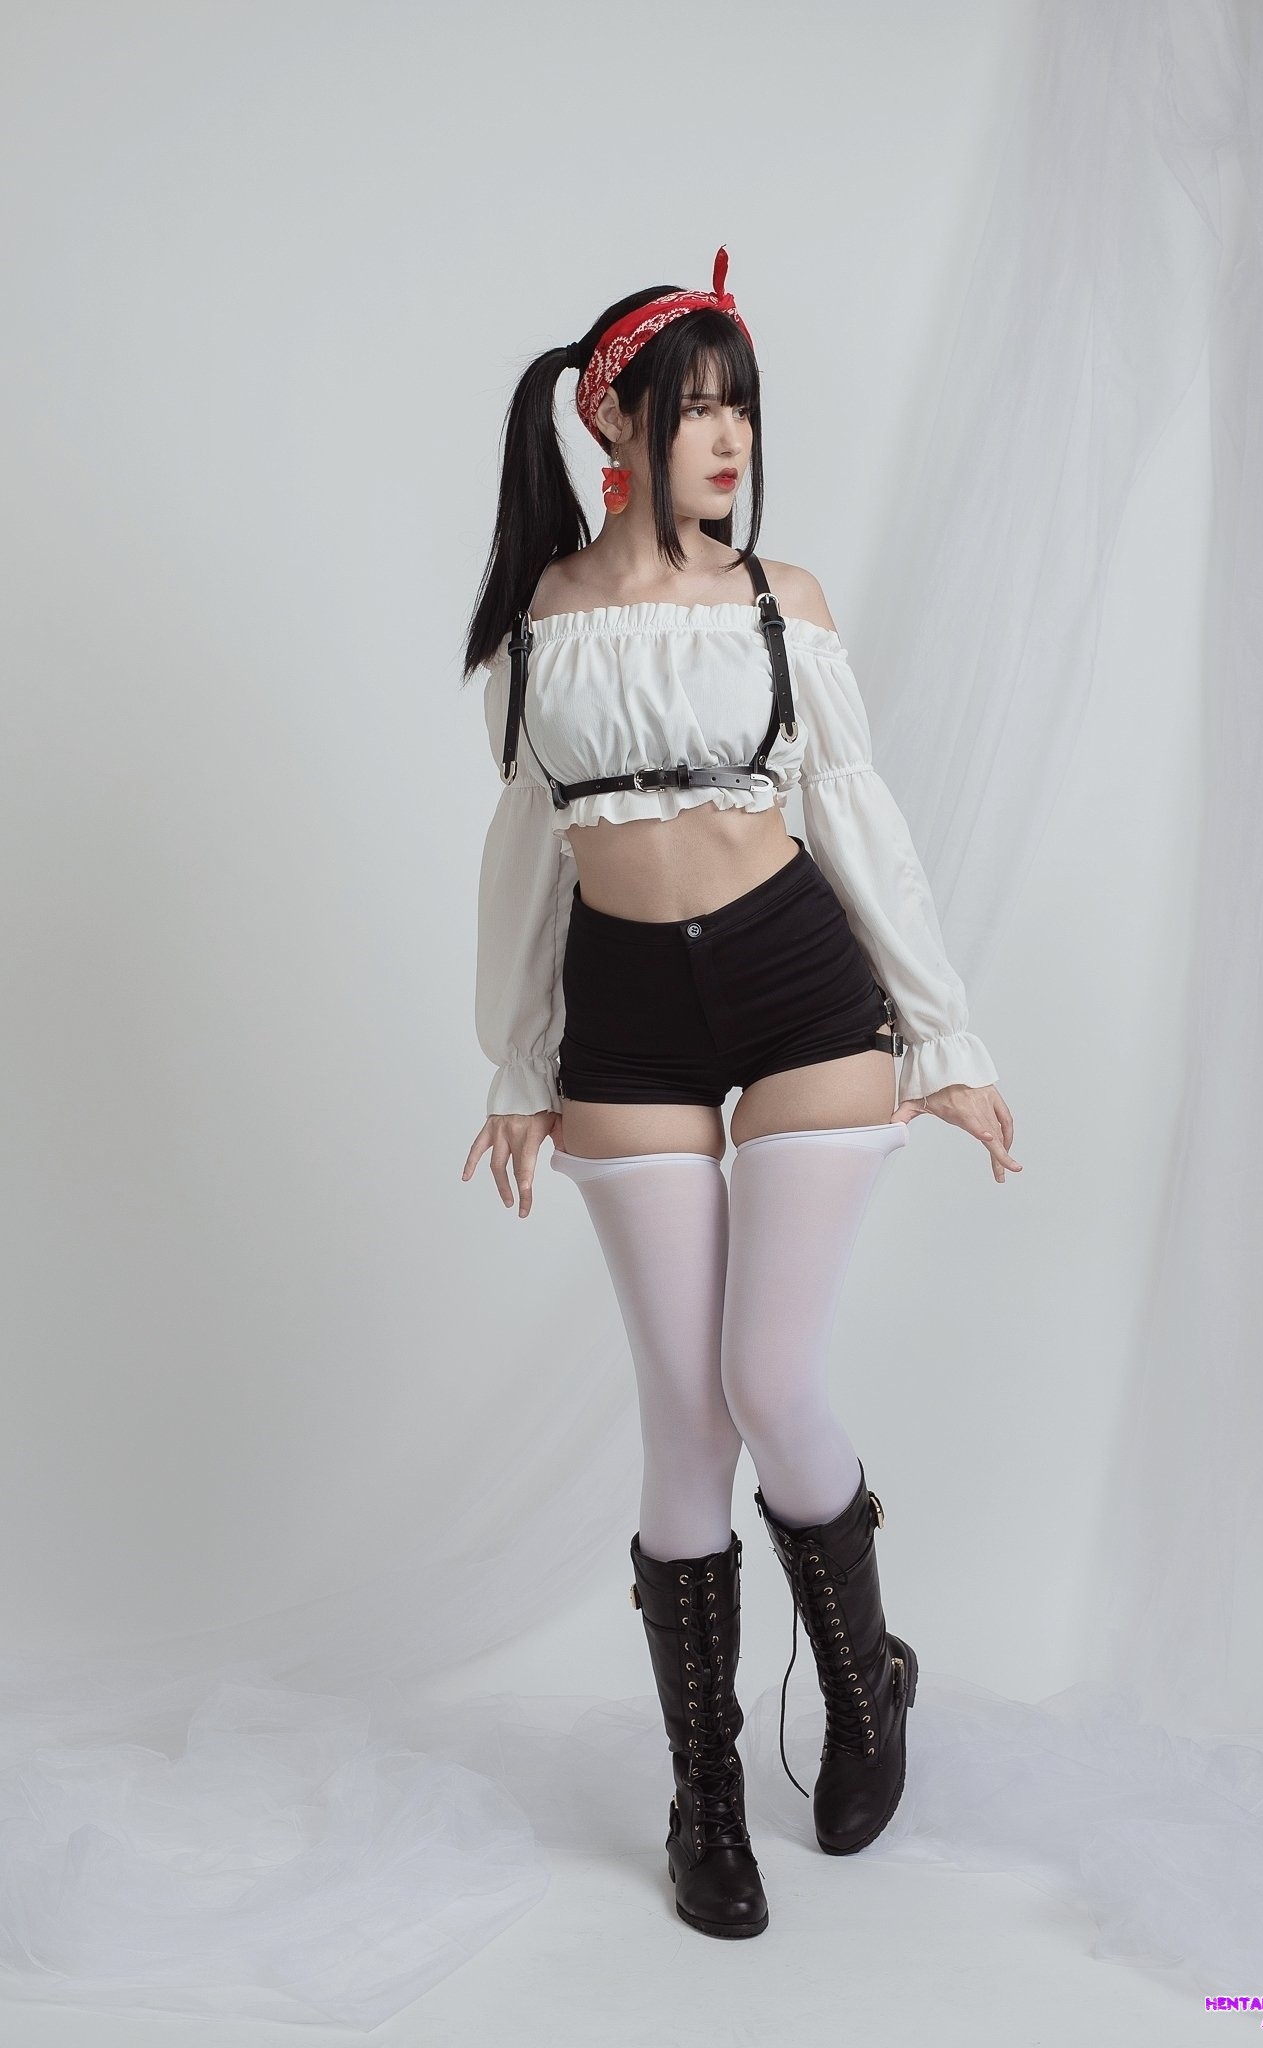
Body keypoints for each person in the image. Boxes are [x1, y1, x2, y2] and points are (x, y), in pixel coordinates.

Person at [459, 247, 1020, 1941]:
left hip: (796, 988)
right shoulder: (541, 620)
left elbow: (858, 821)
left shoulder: (784, 601)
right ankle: (705, 1800)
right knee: (685, 1420)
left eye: (741, 411)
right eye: (695, 409)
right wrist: (516, 1059)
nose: (728, 440)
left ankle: (862, 1683)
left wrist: (946, 1040)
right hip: (625, 1022)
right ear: (612, 422)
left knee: (768, 1378)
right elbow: (527, 855)